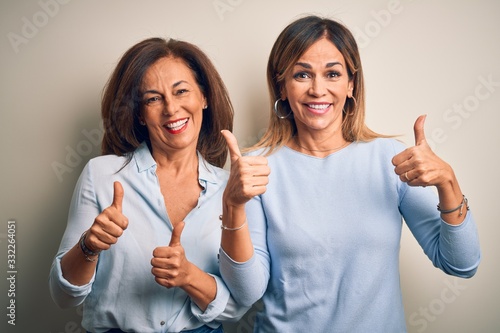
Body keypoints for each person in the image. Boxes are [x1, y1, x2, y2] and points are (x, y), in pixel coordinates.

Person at [218, 15, 481, 332]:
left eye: (332, 74)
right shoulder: (256, 168)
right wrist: (232, 206)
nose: (318, 89)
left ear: (351, 84)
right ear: (282, 87)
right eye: (302, 74)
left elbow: (461, 264)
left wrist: (447, 182)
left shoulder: (389, 160)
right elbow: (247, 291)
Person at [49, 37, 248, 333]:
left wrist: (189, 276)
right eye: (153, 98)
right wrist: (88, 246)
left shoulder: (230, 190)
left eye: (181, 91)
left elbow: (240, 303)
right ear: (140, 113)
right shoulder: (102, 175)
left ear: (204, 98)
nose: (171, 108)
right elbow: (64, 296)